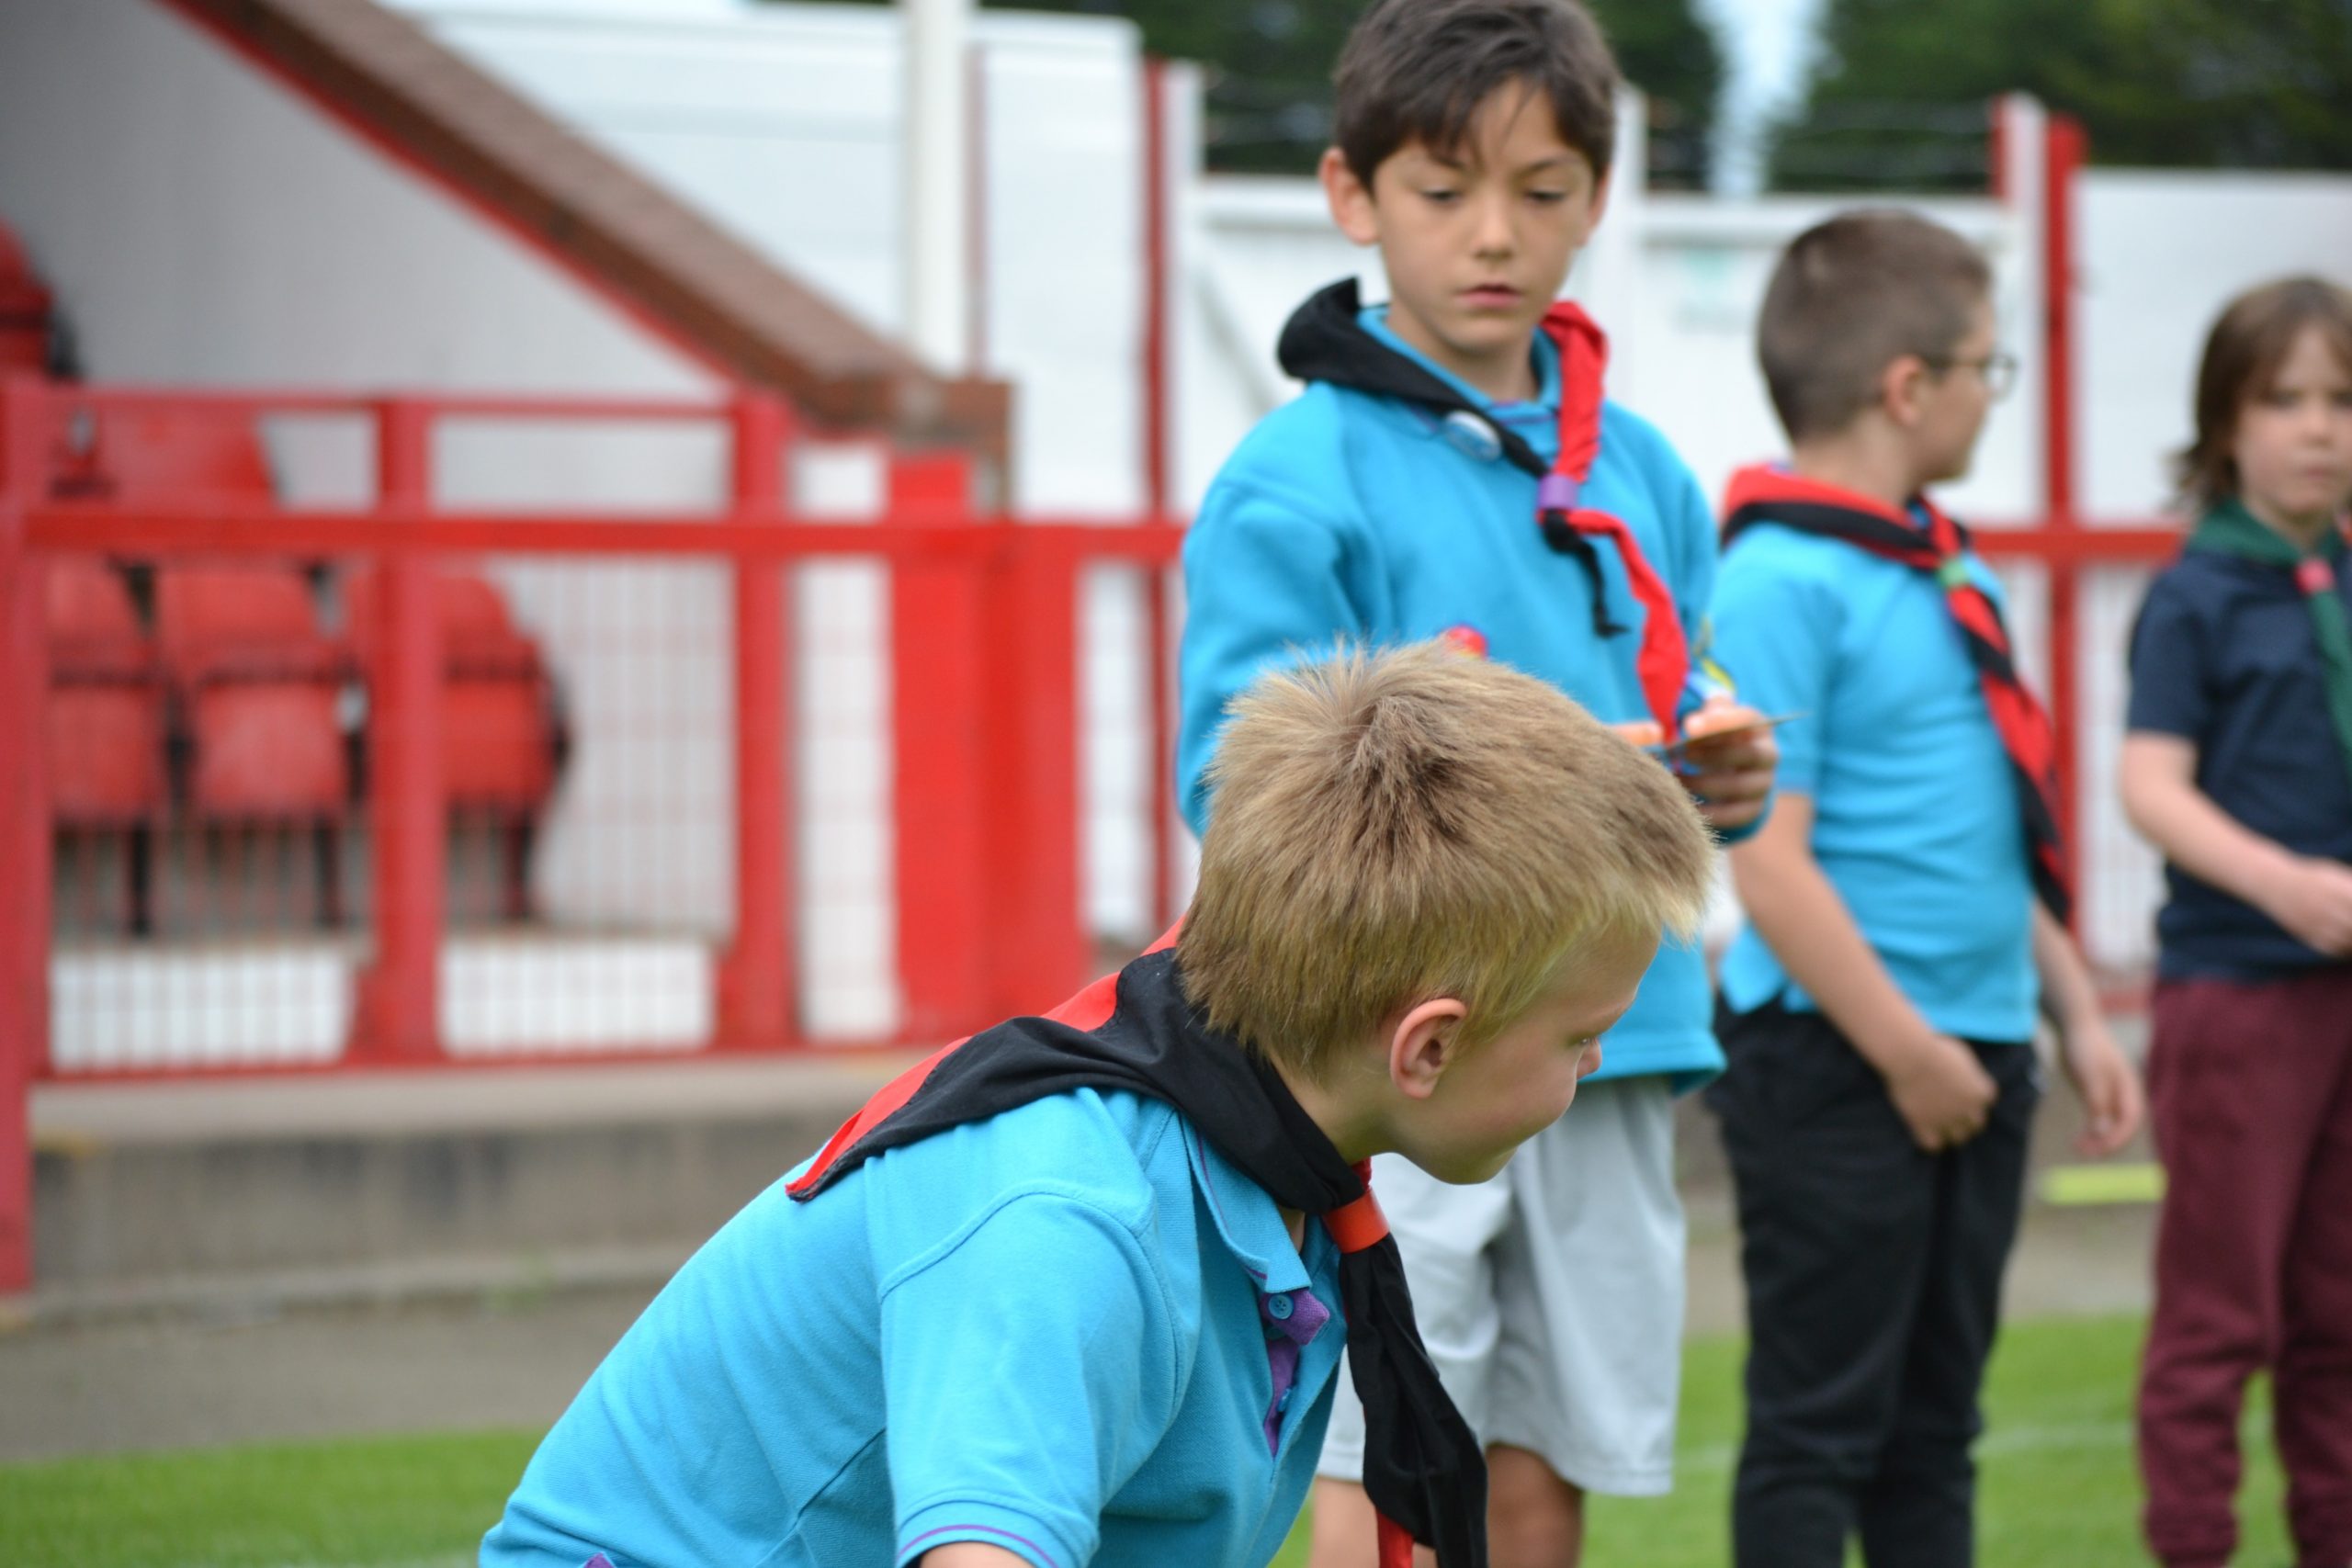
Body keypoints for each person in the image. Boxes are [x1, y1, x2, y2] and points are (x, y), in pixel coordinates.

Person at [480, 643, 1717, 1568]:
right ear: (1427, 1048)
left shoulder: (1273, 1134)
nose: (1595, 1070)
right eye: (1584, 1038)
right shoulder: (1071, 1216)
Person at [1174, 5, 1778, 1564]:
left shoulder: (1643, 469)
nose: (1497, 235)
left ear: (1599, 196)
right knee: (1378, 1462)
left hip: (1616, 1040)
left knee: (1547, 1462)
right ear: (1350, 195)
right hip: (1400, 1062)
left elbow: (1685, 725)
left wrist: (1727, 777)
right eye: (1445, 192)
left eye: (1548, 188)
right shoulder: (1296, 479)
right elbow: (1230, 794)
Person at [1703, 209, 2143, 1568]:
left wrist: (2072, 1012)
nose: (1987, 396)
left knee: (1935, 1430)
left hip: (1979, 1056)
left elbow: (1987, 829)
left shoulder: (1940, 560)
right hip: (1845, 1068)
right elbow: (1767, 858)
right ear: (1910, 387)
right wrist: (1907, 1054)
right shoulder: (1781, 577)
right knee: (1817, 1433)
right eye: (1984, 369)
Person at [2120, 275, 2352, 1568]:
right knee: (2218, 1322)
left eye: (2341, 399)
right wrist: (2286, 882)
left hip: (2346, 1004)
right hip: (2240, 998)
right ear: (2227, 423)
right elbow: (2148, 785)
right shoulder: (2198, 594)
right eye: (2285, 400)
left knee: (2340, 1318)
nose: (2318, 428)